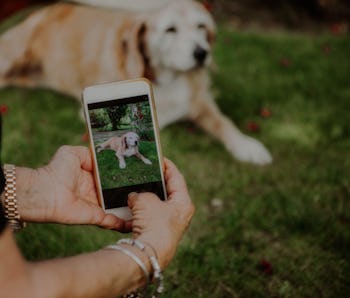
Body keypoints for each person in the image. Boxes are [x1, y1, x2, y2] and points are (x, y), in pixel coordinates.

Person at [0, 115, 195, 297]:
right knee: (105, 146)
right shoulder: (120, 143)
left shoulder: (135, 147)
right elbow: (17, 290)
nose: (133, 141)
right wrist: (148, 253)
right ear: (126, 138)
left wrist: (35, 188)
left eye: (134, 139)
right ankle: (102, 147)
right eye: (130, 138)